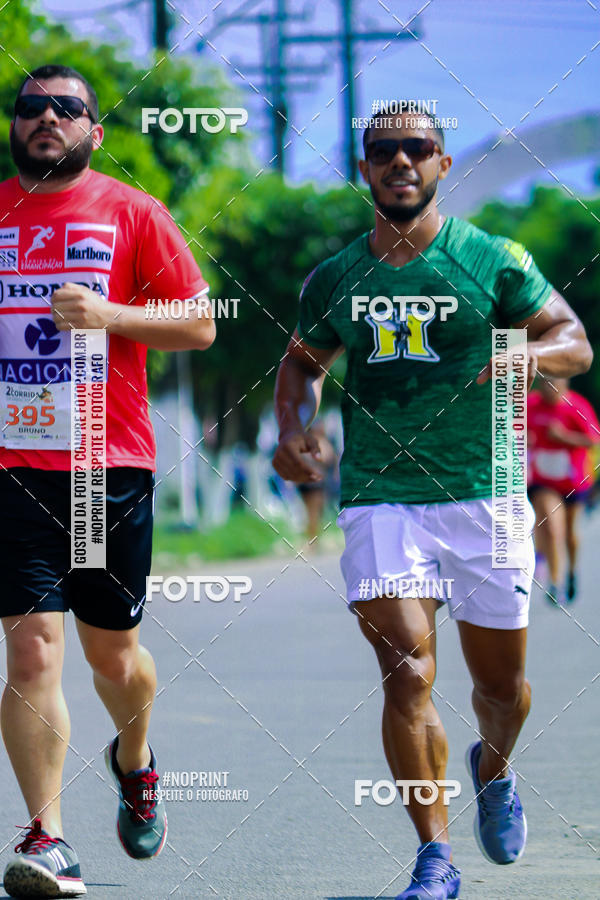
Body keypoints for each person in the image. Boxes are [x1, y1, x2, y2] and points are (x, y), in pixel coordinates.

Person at [272, 105, 592, 899]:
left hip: (484, 493)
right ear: (365, 169)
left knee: (499, 690)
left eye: (418, 149)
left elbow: (574, 342)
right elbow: (301, 365)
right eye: (383, 151)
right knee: (407, 671)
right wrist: (294, 429)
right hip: (382, 496)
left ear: (444, 165)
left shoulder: (494, 258)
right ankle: (434, 856)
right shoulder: (337, 276)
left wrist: (524, 354)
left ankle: (496, 765)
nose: (400, 162)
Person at [0, 65, 215, 898]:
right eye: (30, 107)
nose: (46, 117)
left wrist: (111, 315)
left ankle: (136, 759)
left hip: (103, 467)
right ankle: (47, 836)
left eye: (67, 108)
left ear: (94, 130)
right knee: (30, 646)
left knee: (113, 656)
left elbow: (198, 322)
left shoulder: (132, 211)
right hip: (13, 465)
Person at [528, 377, 600, 604]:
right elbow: (512, 431)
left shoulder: (577, 406)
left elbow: (594, 440)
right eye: (543, 385)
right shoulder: (530, 404)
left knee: (569, 532)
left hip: (573, 480)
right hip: (543, 480)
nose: (548, 391)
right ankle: (555, 583)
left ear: (564, 384)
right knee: (550, 525)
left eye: (553, 386)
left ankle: (571, 572)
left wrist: (564, 437)